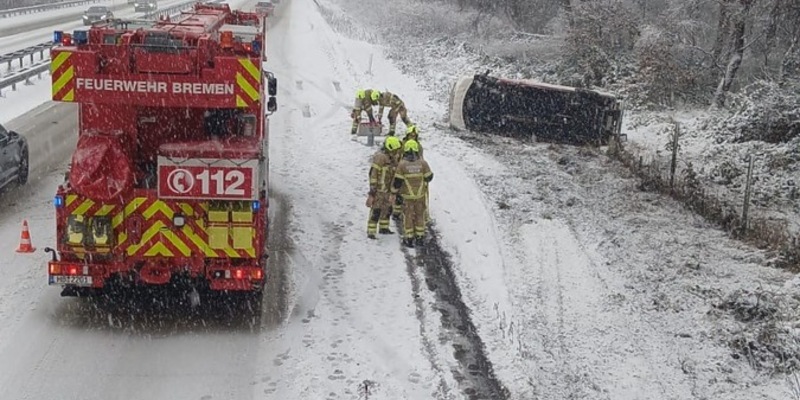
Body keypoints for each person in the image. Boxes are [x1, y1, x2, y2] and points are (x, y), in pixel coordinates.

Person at [391, 139, 433, 248]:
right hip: (420, 196)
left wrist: (394, 194)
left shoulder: (402, 164)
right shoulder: (423, 163)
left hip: (407, 196)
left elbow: (397, 182)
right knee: (420, 215)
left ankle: (409, 238)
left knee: (408, 216)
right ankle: (420, 237)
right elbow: (429, 177)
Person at [367, 136, 402, 239]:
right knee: (376, 210)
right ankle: (371, 231)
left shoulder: (393, 158)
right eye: (394, 150)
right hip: (379, 190)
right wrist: (373, 190)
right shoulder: (380, 158)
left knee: (387, 209)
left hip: (388, 190)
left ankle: (384, 227)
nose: (396, 152)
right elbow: (373, 174)